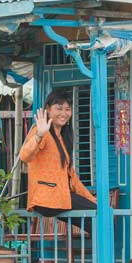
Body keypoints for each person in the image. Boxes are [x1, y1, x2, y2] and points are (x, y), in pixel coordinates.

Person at [19, 91, 96, 232]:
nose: (64, 113)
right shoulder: (41, 132)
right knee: (99, 216)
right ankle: (102, 254)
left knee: (98, 217)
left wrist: (92, 199)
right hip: (46, 199)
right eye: (59, 108)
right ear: (48, 109)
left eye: (67, 109)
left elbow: (73, 179)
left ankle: (99, 253)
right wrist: (39, 136)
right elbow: (25, 156)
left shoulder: (63, 138)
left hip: (61, 198)